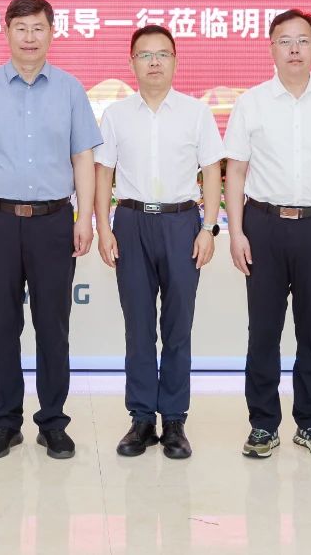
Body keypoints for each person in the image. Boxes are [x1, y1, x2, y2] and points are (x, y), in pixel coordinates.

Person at [0, 0, 103, 460]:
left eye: (38, 28)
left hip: (53, 222)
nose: (30, 37)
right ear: (7, 33)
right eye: (21, 28)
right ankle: (5, 422)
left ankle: (52, 422)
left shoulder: (71, 90)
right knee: (0, 326)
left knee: (53, 327)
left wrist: (84, 217)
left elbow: (83, 157)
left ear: (52, 32)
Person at [222, 8, 311, 459]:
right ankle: (263, 425)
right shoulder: (251, 103)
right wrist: (236, 232)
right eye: (285, 41)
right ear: (271, 48)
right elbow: (235, 171)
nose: (294, 49)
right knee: (263, 332)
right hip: (263, 226)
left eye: (303, 40)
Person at [94, 24, 225, 459]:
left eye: (162, 54)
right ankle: (140, 419)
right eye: (145, 55)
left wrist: (208, 227)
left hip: (182, 223)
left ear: (175, 61)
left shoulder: (196, 113)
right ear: (131, 62)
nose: (154, 62)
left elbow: (212, 171)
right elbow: (104, 173)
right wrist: (104, 227)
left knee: (177, 326)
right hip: (131, 221)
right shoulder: (116, 115)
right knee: (138, 327)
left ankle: (173, 420)